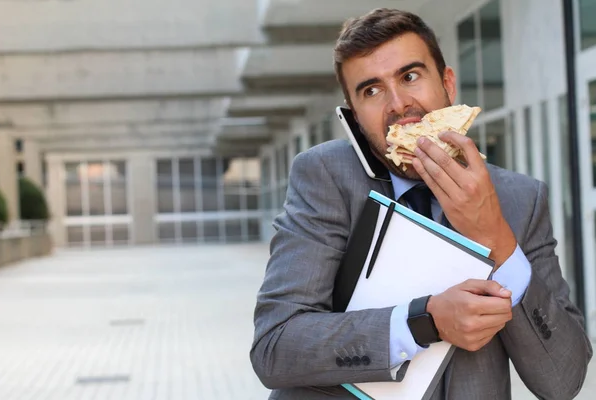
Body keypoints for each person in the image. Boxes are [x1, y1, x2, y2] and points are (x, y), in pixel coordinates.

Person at [250, 8, 592, 400]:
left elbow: (564, 380)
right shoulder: (325, 176)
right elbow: (275, 348)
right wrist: (420, 324)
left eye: (410, 76)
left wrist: (496, 237)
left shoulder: (520, 198)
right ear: (356, 117)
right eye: (371, 91)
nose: (398, 105)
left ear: (448, 83)